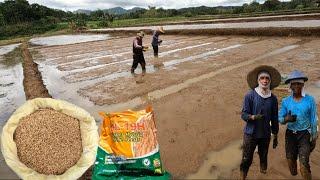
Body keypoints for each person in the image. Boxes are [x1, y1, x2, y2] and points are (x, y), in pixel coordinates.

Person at [240, 65, 281, 180]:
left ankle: (263, 174)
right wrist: (252, 117)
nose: (265, 80)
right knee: (246, 159)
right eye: (262, 78)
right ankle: (243, 176)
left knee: (263, 157)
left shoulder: (273, 99)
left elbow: (274, 118)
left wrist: (276, 135)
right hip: (250, 134)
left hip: (265, 134)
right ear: (258, 80)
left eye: (267, 78)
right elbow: (243, 114)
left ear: (270, 81)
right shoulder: (250, 95)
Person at [278, 70, 318, 180]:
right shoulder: (286, 101)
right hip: (290, 134)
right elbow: (280, 118)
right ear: (290, 86)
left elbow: (314, 119)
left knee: (304, 165)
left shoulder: (310, 100)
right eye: (294, 84)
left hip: (304, 134)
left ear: (303, 84)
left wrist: (314, 137)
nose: (296, 86)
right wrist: (286, 119)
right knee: (291, 164)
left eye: (299, 83)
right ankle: (294, 171)